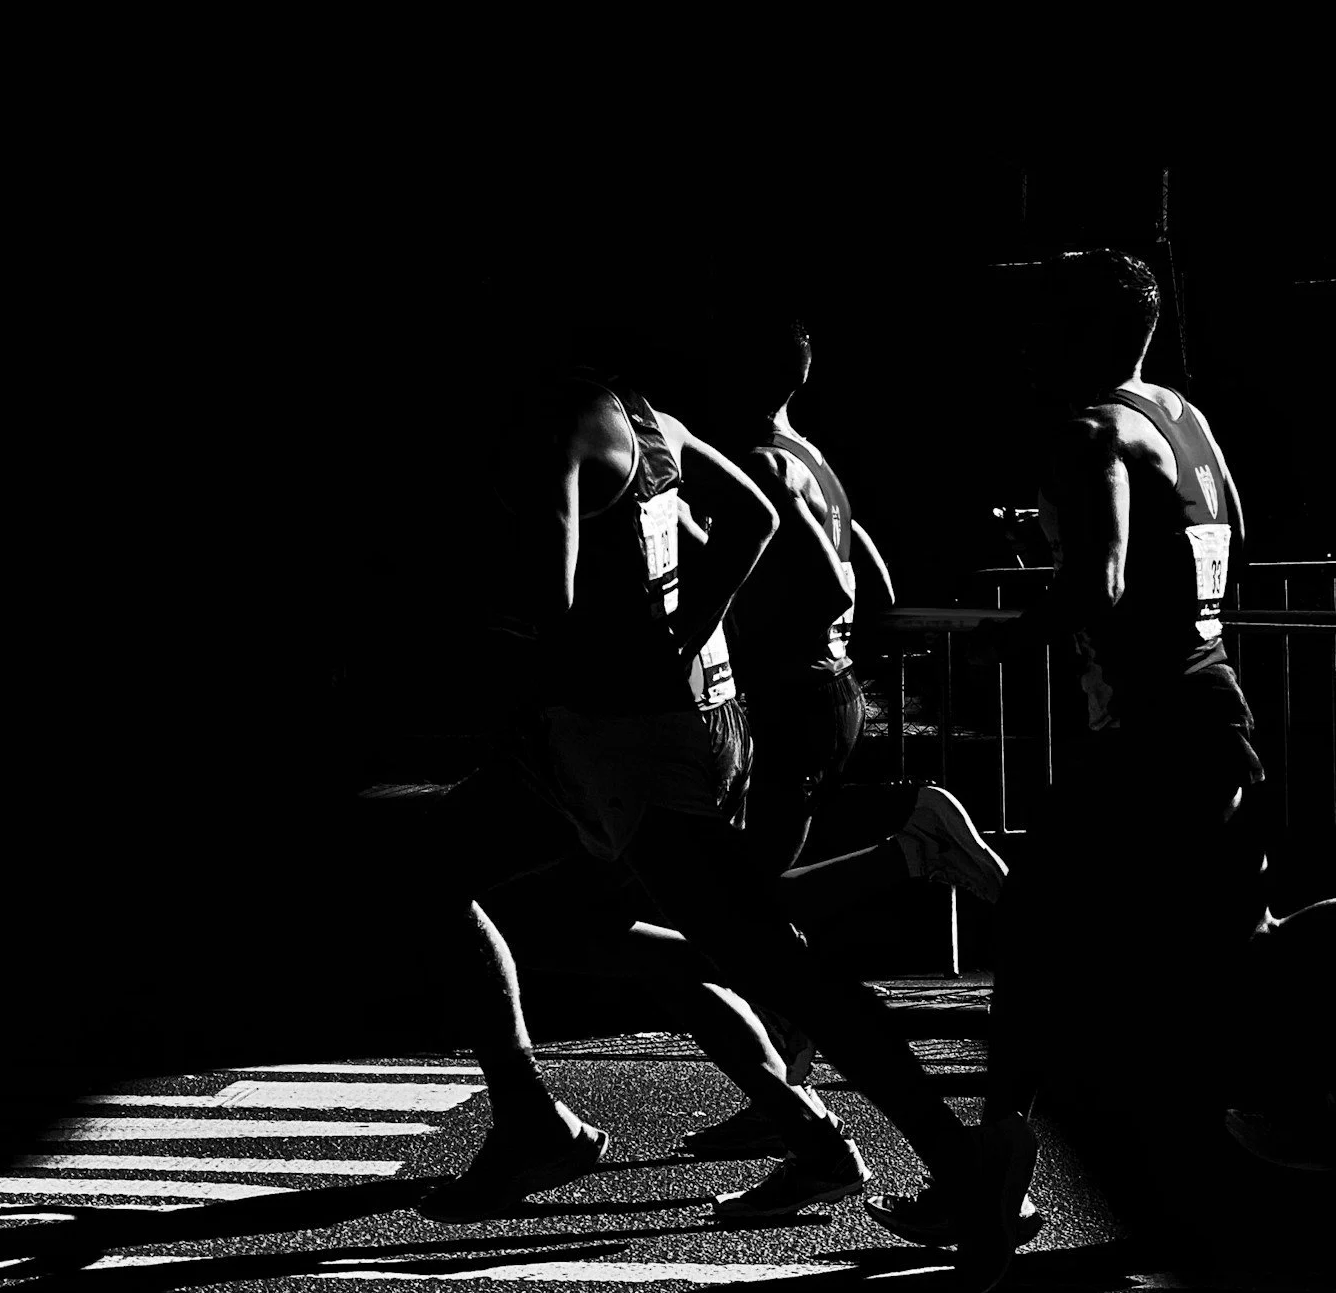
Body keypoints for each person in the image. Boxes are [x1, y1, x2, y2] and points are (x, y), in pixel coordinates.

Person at [406, 363, 984, 1228]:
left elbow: (550, 604)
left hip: (624, 743)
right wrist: (692, 628)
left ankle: (948, 1157)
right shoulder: (650, 421)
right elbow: (752, 517)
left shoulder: (552, 432)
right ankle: (555, 1120)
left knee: (763, 952)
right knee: (473, 881)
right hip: (672, 724)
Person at [865, 249, 1267, 1293]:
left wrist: (1000, 631)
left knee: (1046, 942)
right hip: (1213, 705)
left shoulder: (1091, 430)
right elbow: (1229, 543)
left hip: (1144, 730)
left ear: (1075, 336)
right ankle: (1186, 1178)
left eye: (1043, 329)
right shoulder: (1184, 415)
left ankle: (995, 1181)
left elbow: (1104, 578)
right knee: (1176, 951)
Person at [678, 313, 1010, 1158]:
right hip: (828, 687)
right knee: (766, 902)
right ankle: (785, 1087)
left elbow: (829, 581)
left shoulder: (756, 465)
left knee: (746, 910)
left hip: (789, 690)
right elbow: (869, 570)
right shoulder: (811, 458)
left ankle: (907, 850)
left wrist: (721, 624)